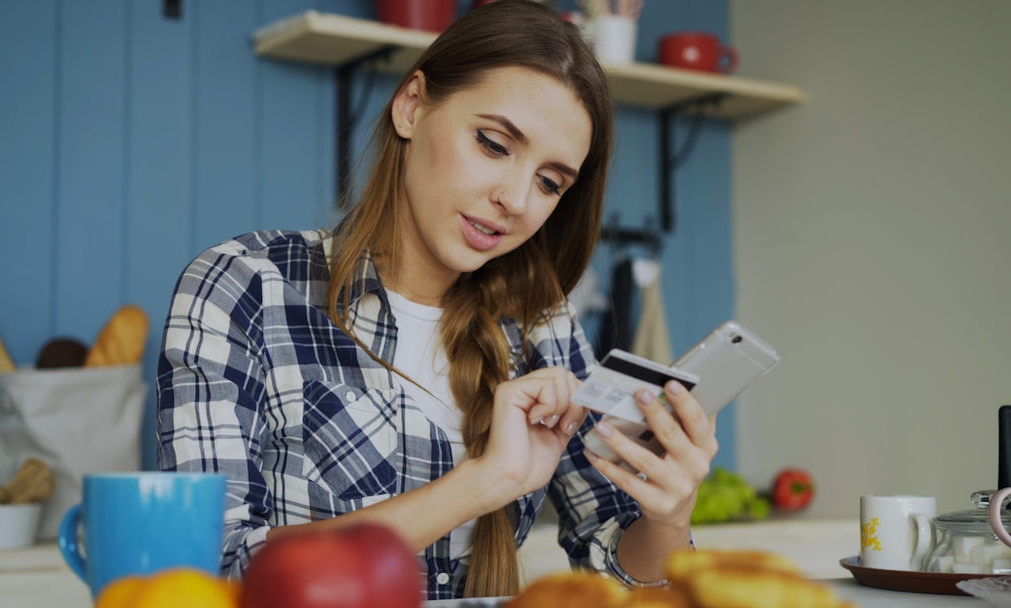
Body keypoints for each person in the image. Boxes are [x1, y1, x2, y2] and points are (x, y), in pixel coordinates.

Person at [156, 0, 718, 600]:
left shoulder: (540, 321)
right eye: (494, 144)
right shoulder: (245, 287)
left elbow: (617, 577)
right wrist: (482, 483)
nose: (517, 199)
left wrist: (667, 517)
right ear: (412, 105)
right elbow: (210, 578)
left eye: (550, 182)